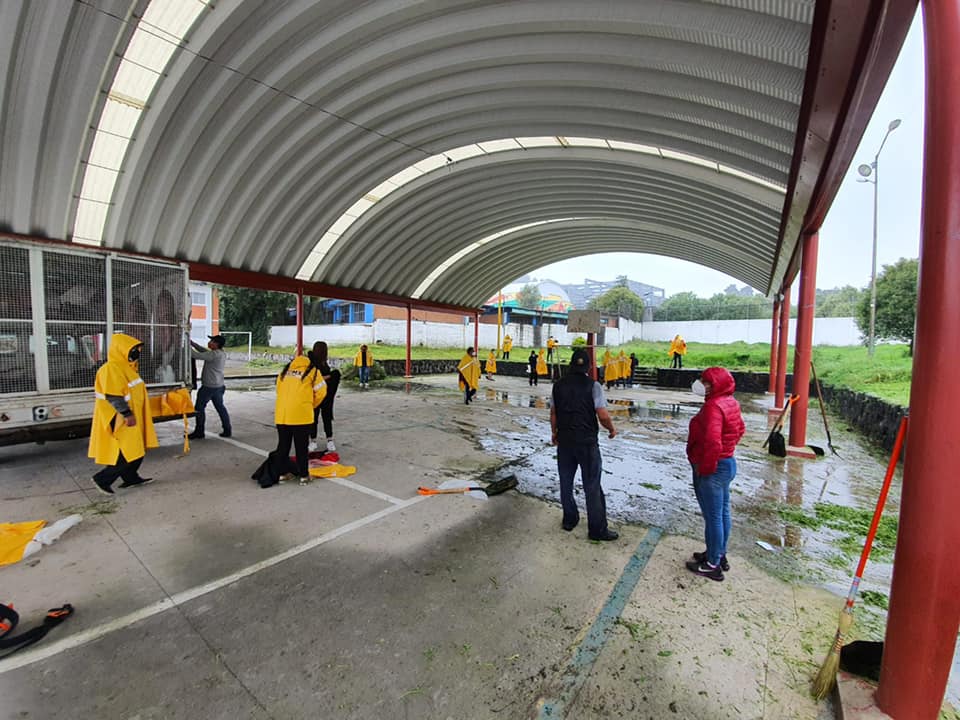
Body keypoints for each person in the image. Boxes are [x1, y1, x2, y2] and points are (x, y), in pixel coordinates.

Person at [550, 348, 619, 541]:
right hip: (587, 443)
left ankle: (569, 520)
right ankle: (597, 530)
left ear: (571, 365)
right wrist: (611, 429)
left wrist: (553, 433)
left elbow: (554, 413)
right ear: (588, 367)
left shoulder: (558, 385)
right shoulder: (593, 386)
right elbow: (602, 414)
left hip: (565, 442)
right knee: (592, 485)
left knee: (565, 482)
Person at [685, 366, 746, 581]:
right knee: (722, 513)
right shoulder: (731, 402)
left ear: (716, 384)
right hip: (727, 463)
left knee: (713, 518)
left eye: (706, 381)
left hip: (713, 466)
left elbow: (712, 441)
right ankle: (718, 554)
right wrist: (728, 449)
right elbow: (740, 429)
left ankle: (712, 565)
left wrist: (706, 468)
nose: (702, 384)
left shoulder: (713, 407)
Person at [88, 333, 158, 495]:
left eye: (137, 350)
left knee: (137, 447)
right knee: (128, 450)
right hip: (120, 417)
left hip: (132, 415)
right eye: (133, 350)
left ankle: (130, 477)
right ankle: (102, 479)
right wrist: (127, 414)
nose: (136, 353)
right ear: (121, 350)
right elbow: (113, 395)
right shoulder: (111, 369)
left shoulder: (128, 368)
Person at [271, 353, 327, 486]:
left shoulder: (285, 371)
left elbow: (278, 390)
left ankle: (282, 474)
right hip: (301, 416)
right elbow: (322, 391)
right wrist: (310, 404)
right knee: (301, 447)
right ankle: (303, 476)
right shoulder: (313, 372)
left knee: (283, 446)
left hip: (282, 415)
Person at [188, 335, 231, 439]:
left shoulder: (214, 355)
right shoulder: (221, 353)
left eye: (212, 341)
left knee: (199, 408)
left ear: (217, 344)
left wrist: (186, 347)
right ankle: (227, 430)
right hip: (219, 386)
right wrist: (193, 344)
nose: (209, 342)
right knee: (220, 408)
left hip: (209, 387)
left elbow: (196, 355)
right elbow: (204, 351)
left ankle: (199, 431)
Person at [307, 341, 340, 452]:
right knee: (314, 418)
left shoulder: (324, 363)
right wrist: (330, 376)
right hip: (315, 395)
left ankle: (329, 440)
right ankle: (313, 441)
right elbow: (315, 377)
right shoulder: (311, 363)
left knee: (326, 417)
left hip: (325, 395)